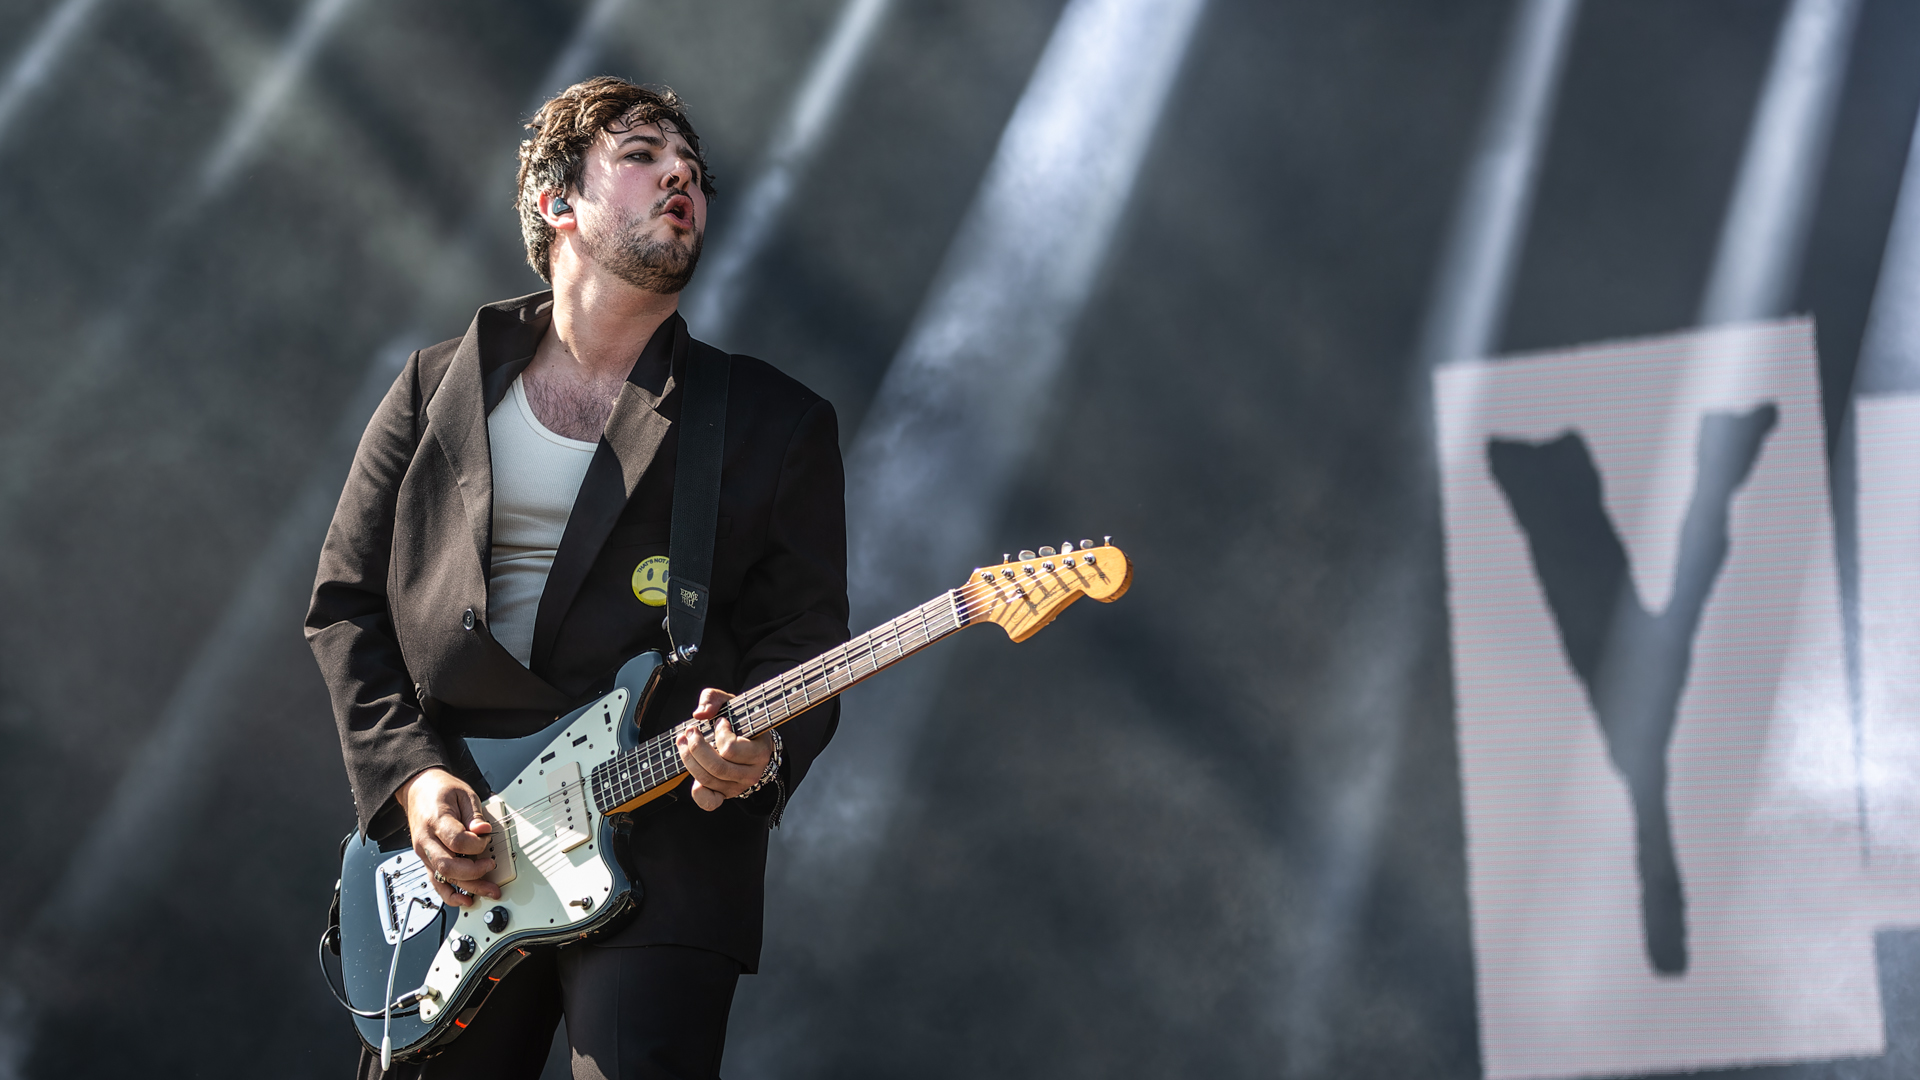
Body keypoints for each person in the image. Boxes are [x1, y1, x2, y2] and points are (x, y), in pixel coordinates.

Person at [307, 76, 850, 1079]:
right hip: (462, 858)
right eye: (643, 153)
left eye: (691, 164)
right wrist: (417, 783)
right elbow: (345, 608)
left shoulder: (773, 423)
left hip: (670, 842)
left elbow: (805, 639)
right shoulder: (439, 387)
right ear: (559, 202)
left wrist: (758, 754)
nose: (682, 171)